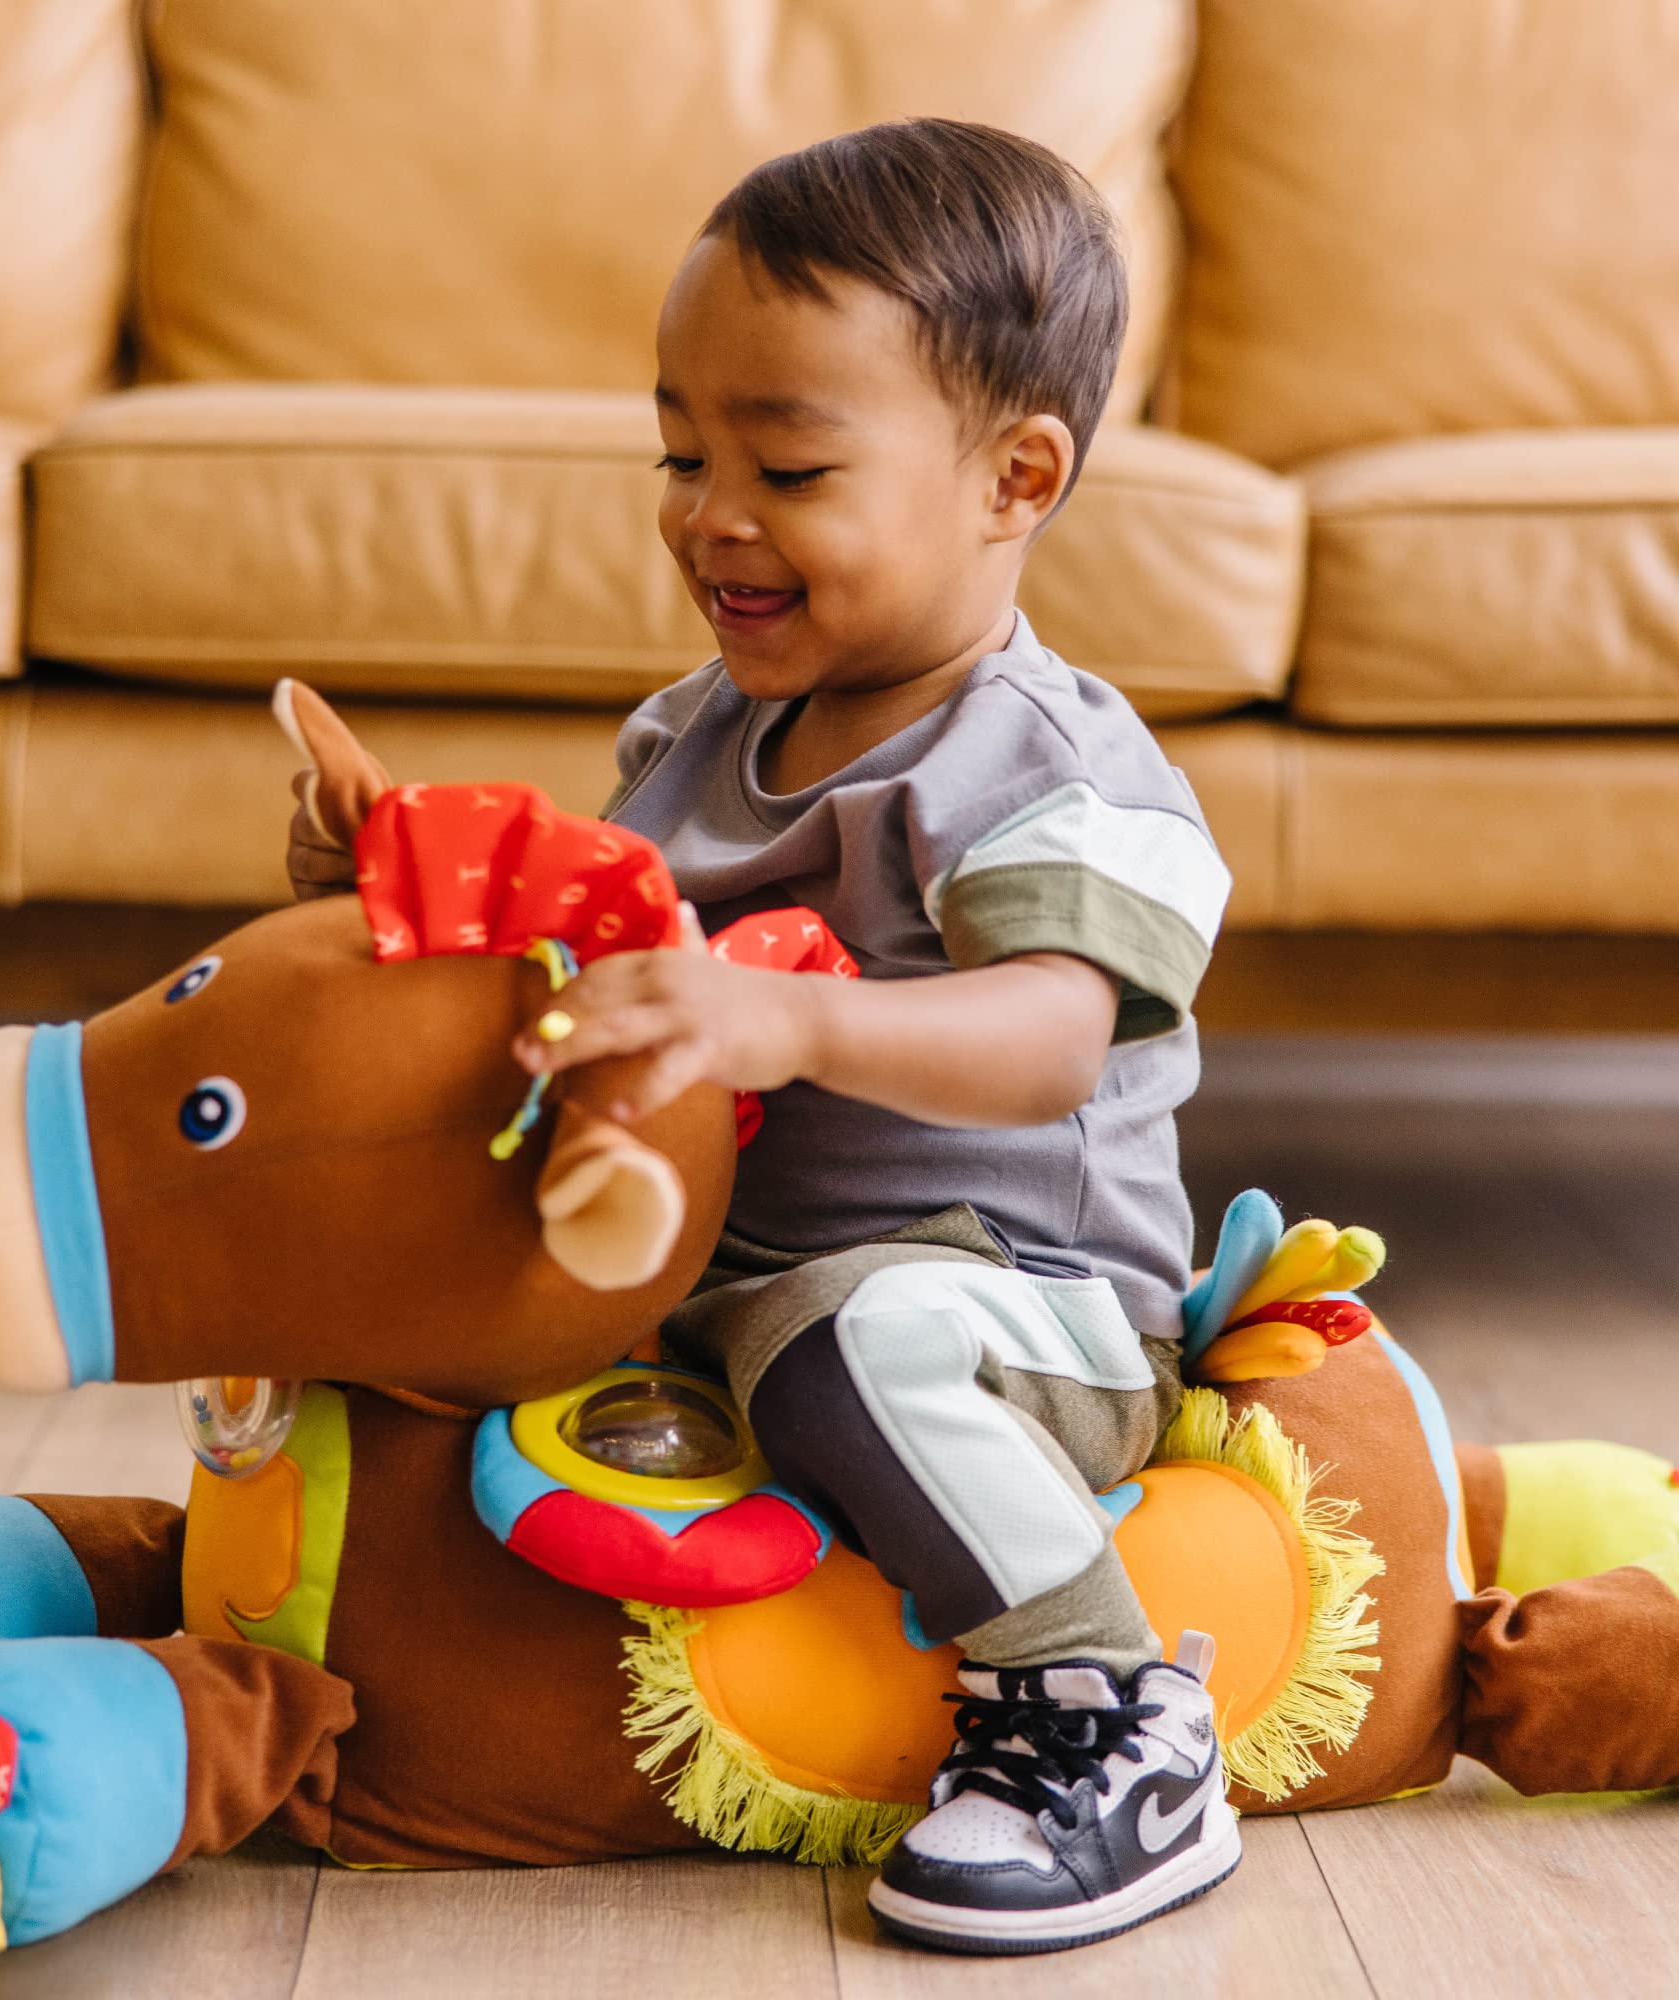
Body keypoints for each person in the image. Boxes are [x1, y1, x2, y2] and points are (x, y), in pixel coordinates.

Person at [290, 118, 1237, 1955]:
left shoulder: (1055, 771)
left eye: (788, 466)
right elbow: (599, 963)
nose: (709, 512)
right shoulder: (696, 734)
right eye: (680, 449)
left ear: (1013, 477)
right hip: (720, 1275)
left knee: (847, 1337)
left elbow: (1049, 1039)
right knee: (410, 1280)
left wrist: (788, 1017)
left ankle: (1110, 1715)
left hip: (1015, 1310)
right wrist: (399, 894)